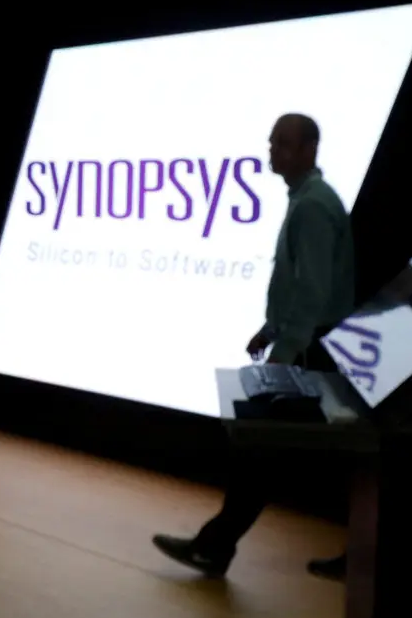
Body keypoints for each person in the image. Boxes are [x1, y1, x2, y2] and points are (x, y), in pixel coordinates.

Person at [152, 113, 355, 581]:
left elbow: (314, 290)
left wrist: (284, 348)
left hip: (313, 349)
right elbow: (300, 284)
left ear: (310, 150)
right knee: (269, 452)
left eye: (284, 144)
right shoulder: (306, 199)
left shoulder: (312, 206)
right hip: (311, 345)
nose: (273, 151)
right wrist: (270, 330)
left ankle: (215, 546)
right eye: (272, 142)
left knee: (261, 449)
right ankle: (216, 545)